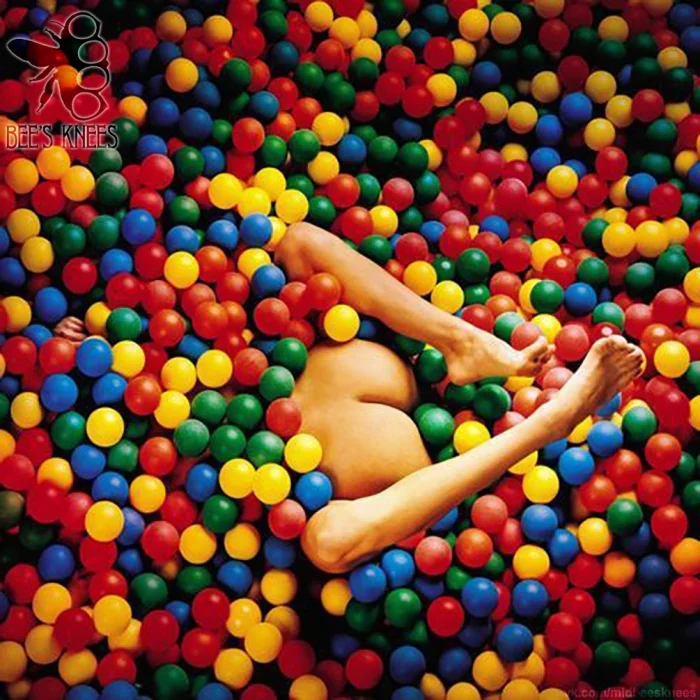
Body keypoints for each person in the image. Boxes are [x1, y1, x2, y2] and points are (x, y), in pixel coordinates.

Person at [55, 222, 645, 575]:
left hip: (334, 366)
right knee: (326, 542)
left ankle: (461, 341)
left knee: (300, 242)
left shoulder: (196, 367)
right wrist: (81, 367)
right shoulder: (159, 467)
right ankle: (549, 423)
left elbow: (158, 343)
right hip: (349, 471)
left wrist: (99, 347)